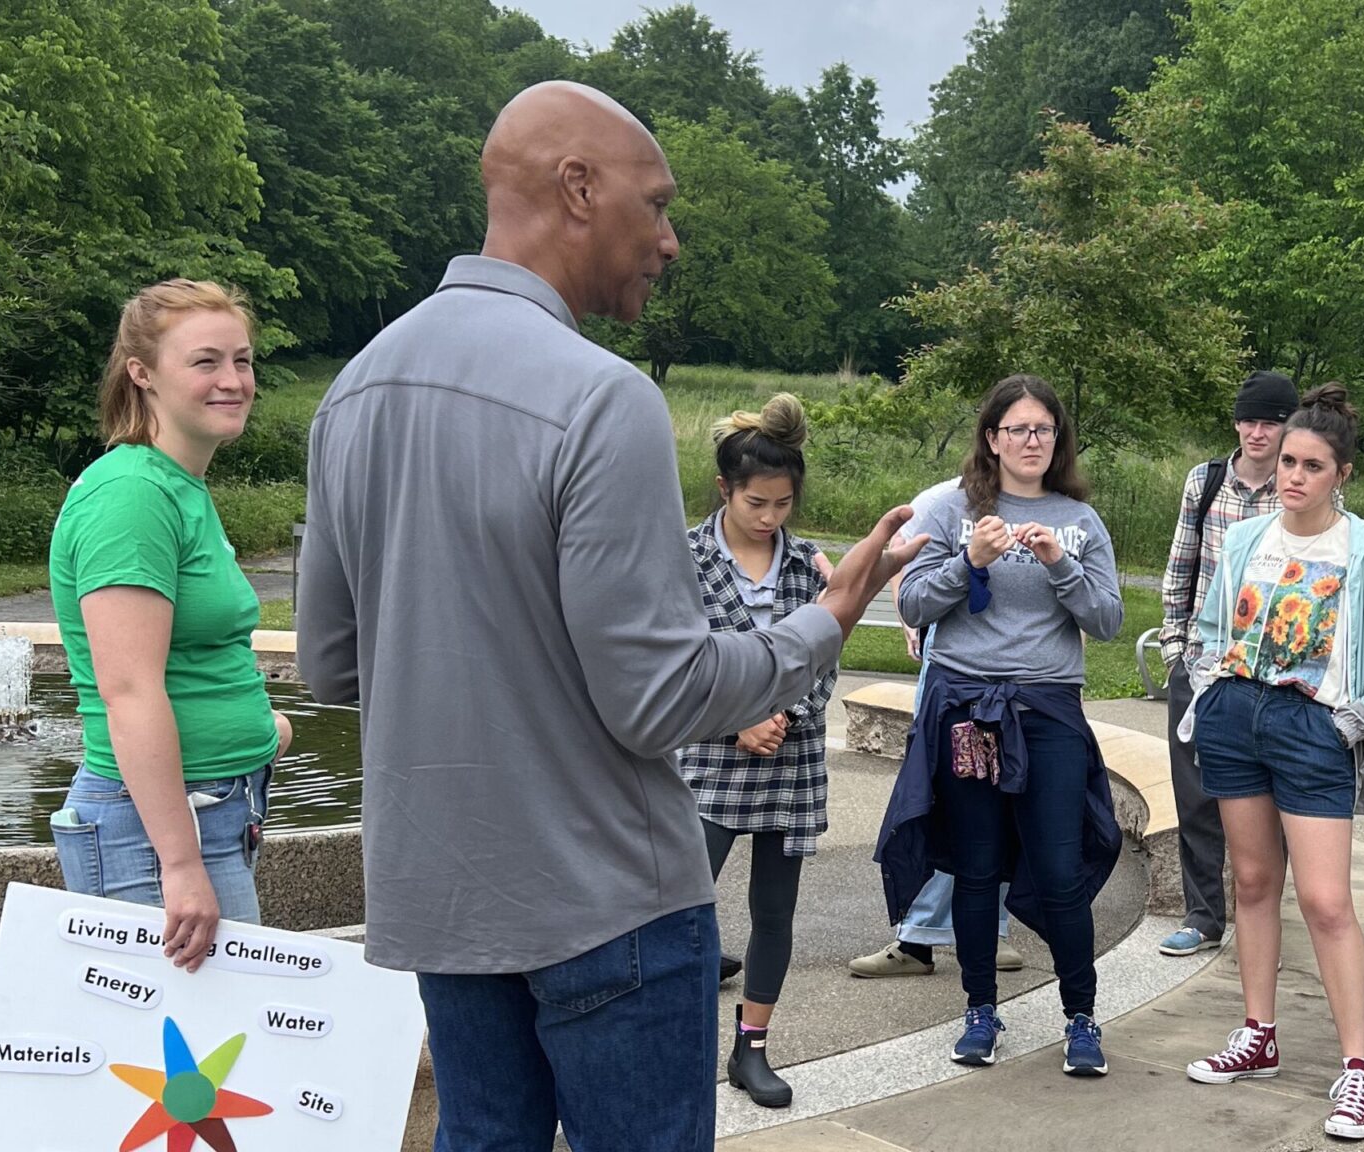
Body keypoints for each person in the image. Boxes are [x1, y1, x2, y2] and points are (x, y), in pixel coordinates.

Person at [295, 82, 921, 1152]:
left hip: (446, 909)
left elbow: (334, 661)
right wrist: (826, 618)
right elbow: (660, 696)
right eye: (657, 203)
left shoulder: (352, 391)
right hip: (608, 913)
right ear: (577, 188)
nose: (669, 240)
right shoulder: (600, 398)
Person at [1179, 385, 1364, 1140]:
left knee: (1324, 901)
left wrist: (1344, 725)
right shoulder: (1251, 540)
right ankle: (1259, 1033)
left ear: (1341, 473)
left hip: (1312, 726)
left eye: (1312, 465)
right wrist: (1208, 684)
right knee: (1251, 882)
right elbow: (1212, 620)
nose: (1293, 476)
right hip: (1235, 714)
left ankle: (1356, 1070)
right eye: (1287, 460)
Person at [876, 374, 1126, 1077]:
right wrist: (969, 561)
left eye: (1042, 429)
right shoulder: (955, 509)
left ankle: (1081, 1017)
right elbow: (917, 603)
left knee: (1057, 869)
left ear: (1057, 439)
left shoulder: (1080, 520)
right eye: (1016, 428)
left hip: (1046, 711)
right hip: (967, 709)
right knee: (977, 867)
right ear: (991, 437)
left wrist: (1059, 564)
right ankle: (979, 1011)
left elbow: (1107, 621)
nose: (1030, 440)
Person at [47, 279, 293, 974]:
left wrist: (259, 729)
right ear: (143, 374)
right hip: (154, 833)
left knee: (209, 1071)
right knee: (177, 1077)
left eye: (242, 361)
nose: (233, 380)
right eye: (206, 362)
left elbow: (195, 652)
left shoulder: (178, 488)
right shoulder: (132, 497)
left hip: (210, 809)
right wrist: (180, 863)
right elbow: (128, 693)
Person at [678, 394, 840, 1109]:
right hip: (710, 759)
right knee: (679, 905)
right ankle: (676, 1048)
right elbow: (672, 658)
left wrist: (784, 712)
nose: (769, 516)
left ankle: (752, 1050)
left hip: (791, 755)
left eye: (782, 503)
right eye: (755, 502)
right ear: (724, 490)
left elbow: (824, 651)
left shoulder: (808, 563)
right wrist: (736, 718)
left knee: (775, 912)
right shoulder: (682, 557)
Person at [847, 475, 1026, 979]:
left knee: (1000, 793)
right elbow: (908, 572)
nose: (1023, 445)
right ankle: (919, 938)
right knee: (940, 795)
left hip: (1014, 684)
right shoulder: (941, 502)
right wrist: (913, 623)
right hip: (953, 679)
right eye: (1011, 431)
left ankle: (989, 929)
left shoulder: (1047, 503)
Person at [1155, 370, 1295, 957]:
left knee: (1269, 800)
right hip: (1204, 661)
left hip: (1272, 667)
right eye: (1249, 420)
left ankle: (1261, 916)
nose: (1258, 432)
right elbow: (1180, 565)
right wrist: (1172, 651)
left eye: (1270, 421)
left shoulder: (1301, 483)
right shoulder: (1206, 481)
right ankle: (1203, 914)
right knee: (1196, 795)